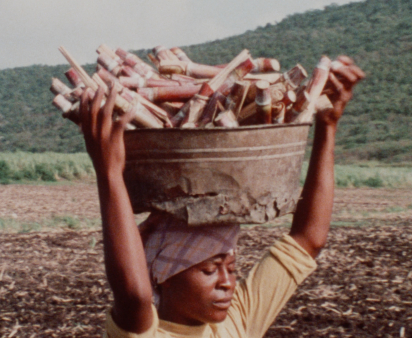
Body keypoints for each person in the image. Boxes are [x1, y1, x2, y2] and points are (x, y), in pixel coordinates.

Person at [78, 55, 364, 337]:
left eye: (231, 267)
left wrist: (328, 125)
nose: (227, 284)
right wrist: (110, 174)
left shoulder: (236, 323)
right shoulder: (146, 333)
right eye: (210, 270)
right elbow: (134, 295)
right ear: (162, 276)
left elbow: (307, 241)